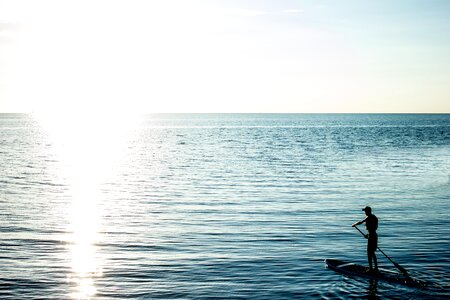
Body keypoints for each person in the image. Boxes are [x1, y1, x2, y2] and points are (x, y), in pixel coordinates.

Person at [352, 206, 378, 272]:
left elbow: (361, 222)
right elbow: (373, 229)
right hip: (374, 235)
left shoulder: (369, 218)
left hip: (372, 236)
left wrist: (354, 224)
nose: (365, 213)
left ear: (368, 211)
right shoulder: (374, 217)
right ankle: (376, 268)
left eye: (365, 211)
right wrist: (368, 235)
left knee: (369, 253)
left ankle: (371, 269)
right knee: (372, 253)